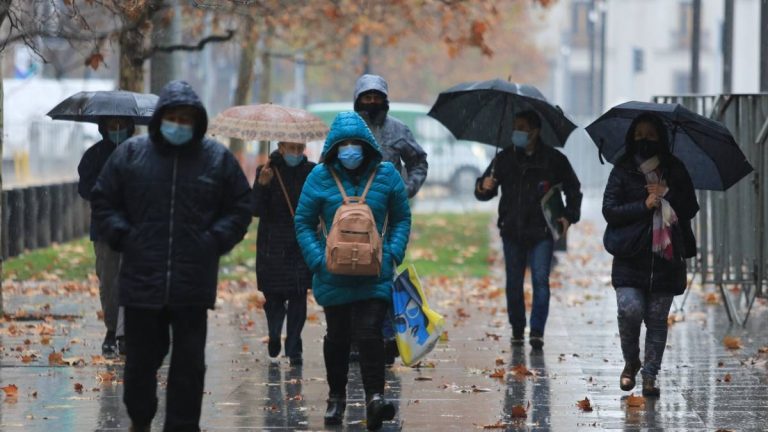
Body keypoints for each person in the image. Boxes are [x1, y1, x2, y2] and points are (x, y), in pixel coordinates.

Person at [91, 80, 252, 431]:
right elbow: (103, 198)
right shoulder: (132, 155)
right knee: (140, 363)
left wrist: (214, 240)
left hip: (192, 283)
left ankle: (181, 425)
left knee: (189, 366)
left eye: (186, 118)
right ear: (161, 117)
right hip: (141, 281)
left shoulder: (216, 159)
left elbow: (241, 206)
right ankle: (140, 417)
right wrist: (123, 236)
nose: (178, 124)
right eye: (173, 116)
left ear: (197, 122)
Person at [294, 112, 411, 430]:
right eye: (342, 144)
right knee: (339, 336)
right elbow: (303, 222)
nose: (349, 150)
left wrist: (392, 254)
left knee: (370, 332)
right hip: (334, 274)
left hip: (375, 272)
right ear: (334, 147)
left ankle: (374, 397)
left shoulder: (386, 175)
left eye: (354, 144)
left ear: (366, 146)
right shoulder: (319, 177)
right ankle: (336, 397)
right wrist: (319, 260)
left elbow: (401, 217)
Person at [602, 113, 698, 397]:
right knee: (629, 310)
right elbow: (610, 211)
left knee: (657, 320)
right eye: (639, 135)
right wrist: (644, 205)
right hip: (630, 256)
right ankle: (631, 362)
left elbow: (690, 207)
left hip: (665, 259)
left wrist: (668, 194)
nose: (644, 140)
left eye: (651, 135)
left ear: (661, 139)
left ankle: (650, 377)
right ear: (632, 137)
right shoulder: (622, 170)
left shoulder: (675, 169)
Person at [475, 110, 582, 349]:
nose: (517, 132)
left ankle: (536, 331)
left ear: (535, 131)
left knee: (540, 280)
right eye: (515, 126)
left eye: (522, 127)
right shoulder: (504, 159)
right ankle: (516, 328)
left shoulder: (554, 159)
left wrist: (568, 217)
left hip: (542, 232)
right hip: (511, 230)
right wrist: (484, 186)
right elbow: (485, 192)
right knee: (513, 283)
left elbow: (573, 188)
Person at [354, 73, 428, 364]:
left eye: (376, 97)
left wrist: (407, 189)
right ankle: (356, 339)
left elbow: (418, 161)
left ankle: (386, 338)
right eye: (366, 97)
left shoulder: (398, 130)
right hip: (353, 218)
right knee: (353, 276)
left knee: (385, 274)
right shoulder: (350, 129)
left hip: (389, 218)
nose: (371, 102)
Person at [252, 141, 315, 366]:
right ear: (280, 147)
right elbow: (255, 209)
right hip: (272, 245)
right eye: (291, 148)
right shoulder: (267, 170)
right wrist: (261, 185)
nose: (296, 153)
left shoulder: (311, 171)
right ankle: (274, 333)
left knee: (299, 296)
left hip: (300, 242)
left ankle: (294, 346)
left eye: (300, 148)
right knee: (274, 297)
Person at [77, 116, 135, 358]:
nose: (117, 129)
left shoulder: (140, 152)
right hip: (104, 230)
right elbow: (85, 188)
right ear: (104, 127)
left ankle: (128, 332)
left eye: (122, 124)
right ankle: (112, 330)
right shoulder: (94, 155)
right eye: (113, 124)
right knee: (109, 282)